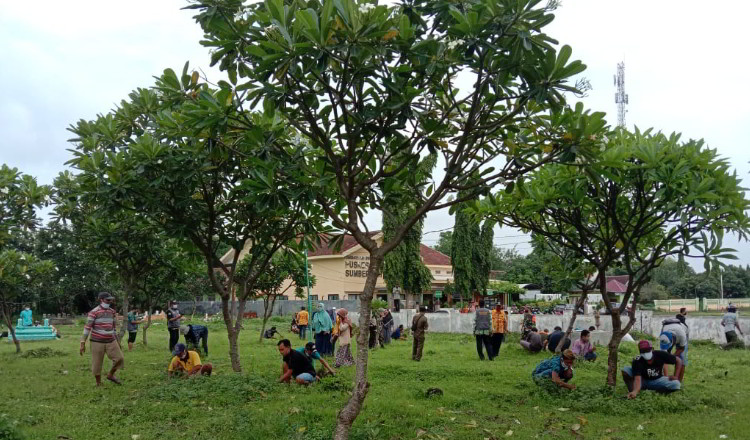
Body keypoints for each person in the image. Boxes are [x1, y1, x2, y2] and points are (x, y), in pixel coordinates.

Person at [80, 292, 124, 386]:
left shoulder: (112, 311)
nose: (109, 301)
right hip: (97, 341)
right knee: (97, 362)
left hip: (111, 340)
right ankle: (98, 383)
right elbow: (87, 327)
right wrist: (83, 342)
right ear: (101, 300)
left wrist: (117, 340)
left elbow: (113, 327)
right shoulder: (94, 312)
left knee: (119, 358)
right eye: (107, 300)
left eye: (110, 300)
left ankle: (110, 375)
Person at [659, 314, 688, 382]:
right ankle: (666, 378)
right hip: (669, 332)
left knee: (682, 358)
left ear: (673, 341)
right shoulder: (663, 336)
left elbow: (681, 349)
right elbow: (664, 357)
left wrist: (673, 356)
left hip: (682, 334)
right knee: (663, 357)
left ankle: (678, 381)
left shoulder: (682, 335)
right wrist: (666, 379)